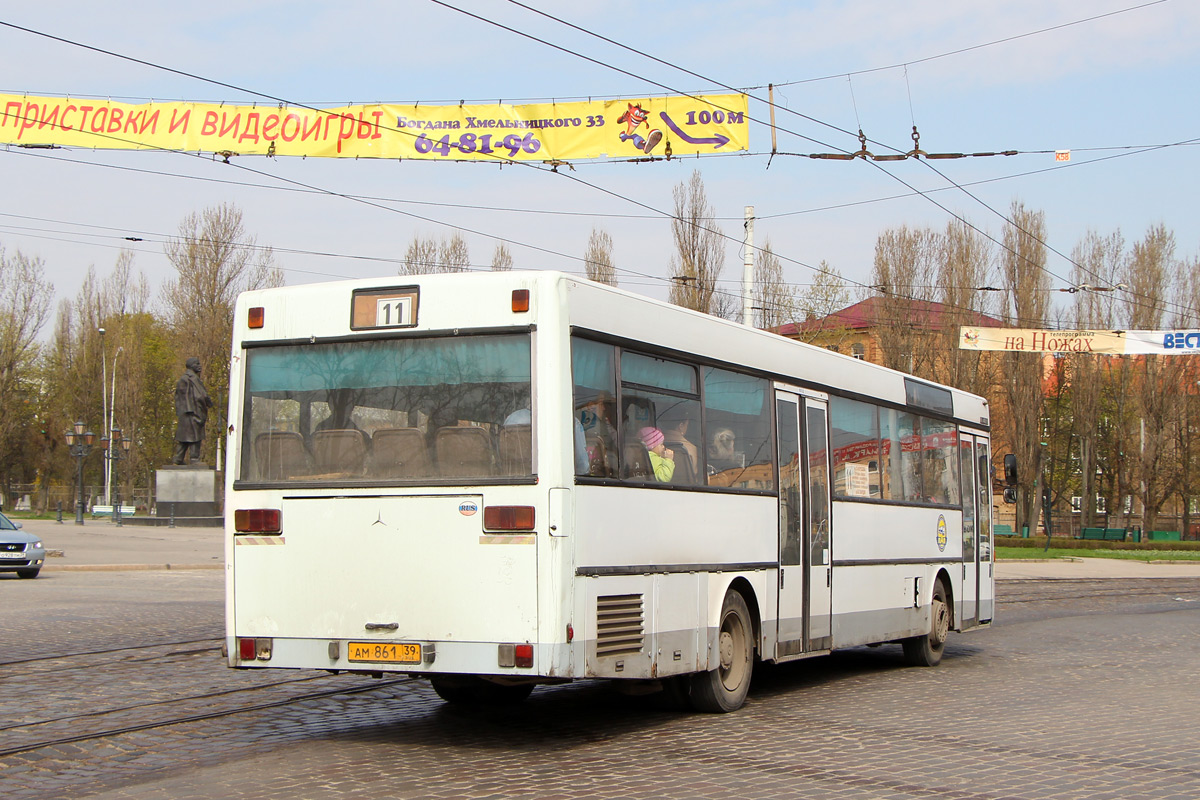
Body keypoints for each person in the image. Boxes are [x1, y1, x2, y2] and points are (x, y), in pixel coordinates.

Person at [173, 357, 214, 465]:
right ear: (191, 365)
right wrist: (191, 412)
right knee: (192, 436)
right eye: (197, 364)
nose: (199, 366)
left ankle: (178, 458)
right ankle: (193, 458)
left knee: (189, 436)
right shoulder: (186, 379)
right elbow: (183, 397)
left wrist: (207, 402)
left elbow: (201, 394)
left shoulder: (194, 378)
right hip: (190, 412)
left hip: (195, 411)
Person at [662, 418, 699, 483]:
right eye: (686, 425)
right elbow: (694, 475)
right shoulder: (691, 448)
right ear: (681, 426)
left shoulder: (655, 444)